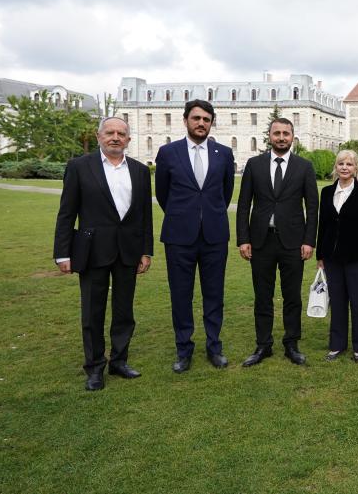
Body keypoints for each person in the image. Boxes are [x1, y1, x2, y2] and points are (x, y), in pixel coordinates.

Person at [53, 117, 153, 391]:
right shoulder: (79, 167)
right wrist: (62, 253)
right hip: (92, 251)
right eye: (110, 132)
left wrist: (146, 251)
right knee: (92, 312)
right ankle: (94, 367)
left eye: (121, 133)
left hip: (128, 251)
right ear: (99, 137)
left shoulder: (140, 171)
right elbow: (66, 213)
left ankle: (119, 361)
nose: (115, 137)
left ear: (129, 140)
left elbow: (144, 216)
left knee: (124, 311)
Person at [155, 99, 235, 372]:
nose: (201, 123)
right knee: (181, 295)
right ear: (186, 120)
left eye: (206, 119)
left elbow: (226, 193)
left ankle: (214, 347)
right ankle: (183, 350)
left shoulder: (223, 153)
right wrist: (185, 216)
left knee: (214, 294)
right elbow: (162, 194)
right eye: (196, 118)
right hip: (179, 237)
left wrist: (207, 215)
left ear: (212, 123)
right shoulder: (168, 152)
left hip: (214, 236)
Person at [236, 118, 319, 367]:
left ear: (293, 136)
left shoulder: (304, 166)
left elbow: (312, 207)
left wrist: (309, 241)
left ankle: (291, 344)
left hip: (293, 242)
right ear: (269, 136)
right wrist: (243, 239)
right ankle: (263, 345)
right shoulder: (254, 165)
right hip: (261, 241)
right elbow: (243, 205)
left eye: (286, 133)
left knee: (292, 295)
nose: (281, 137)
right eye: (277, 133)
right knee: (263, 295)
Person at [317, 150, 358, 363]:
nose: (344, 167)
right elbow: (322, 226)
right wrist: (320, 256)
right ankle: (337, 345)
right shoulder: (326, 192)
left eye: (349, 164)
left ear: (356, 168)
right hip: (332, 258)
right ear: (336, 167)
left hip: (357, 258)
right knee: (338, 302)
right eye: (341, 163)